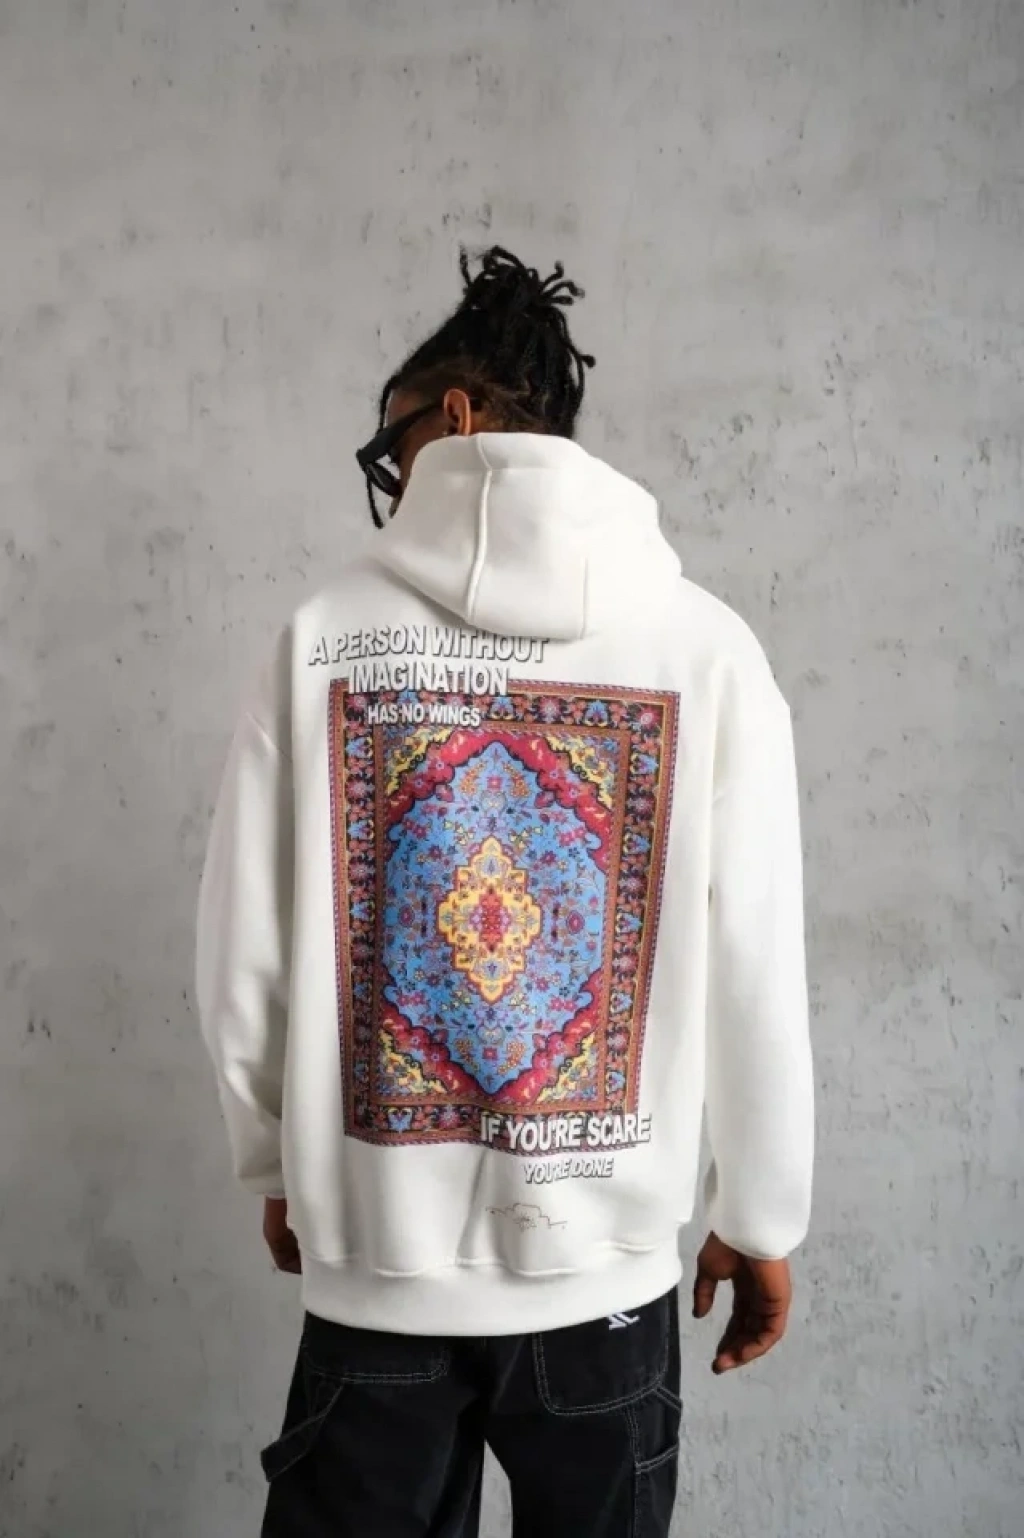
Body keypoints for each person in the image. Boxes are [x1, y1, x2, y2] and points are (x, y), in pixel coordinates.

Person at [196, 246, 814, 1538]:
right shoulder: (706, 649)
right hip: (605, 1282)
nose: (388, 475)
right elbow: (756, 960)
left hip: (378, 1267)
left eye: (394, 442)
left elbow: (246, 942)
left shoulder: (322, 639)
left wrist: (278, 1153)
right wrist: (759, 1212)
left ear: (458, 416)